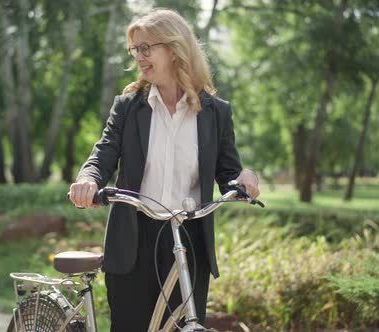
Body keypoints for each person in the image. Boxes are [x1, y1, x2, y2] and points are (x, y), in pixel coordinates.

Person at [68, 8, 260, 331]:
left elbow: (230, 169)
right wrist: (87, 178)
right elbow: (103, 154)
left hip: (190, 242)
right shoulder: (129, 106)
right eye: (135, 49)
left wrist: (245, 178)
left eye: (146, 48)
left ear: (174, 50)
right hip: (134, 241)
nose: (139, 57)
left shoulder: (216, 112)